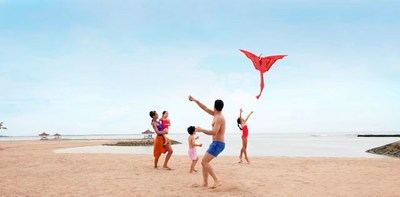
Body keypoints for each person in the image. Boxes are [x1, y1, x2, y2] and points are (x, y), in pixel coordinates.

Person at [188, 95, 225, 189]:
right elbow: (204, 108)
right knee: (204, 162)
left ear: (214, 107)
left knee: (204, 162)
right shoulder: (216, 114)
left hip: (218, 144)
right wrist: (195, 100)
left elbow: (214, 132)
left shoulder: (219, 118)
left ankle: (217, 180)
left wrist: (201, 130)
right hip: (215, 143)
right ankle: (205, 183)